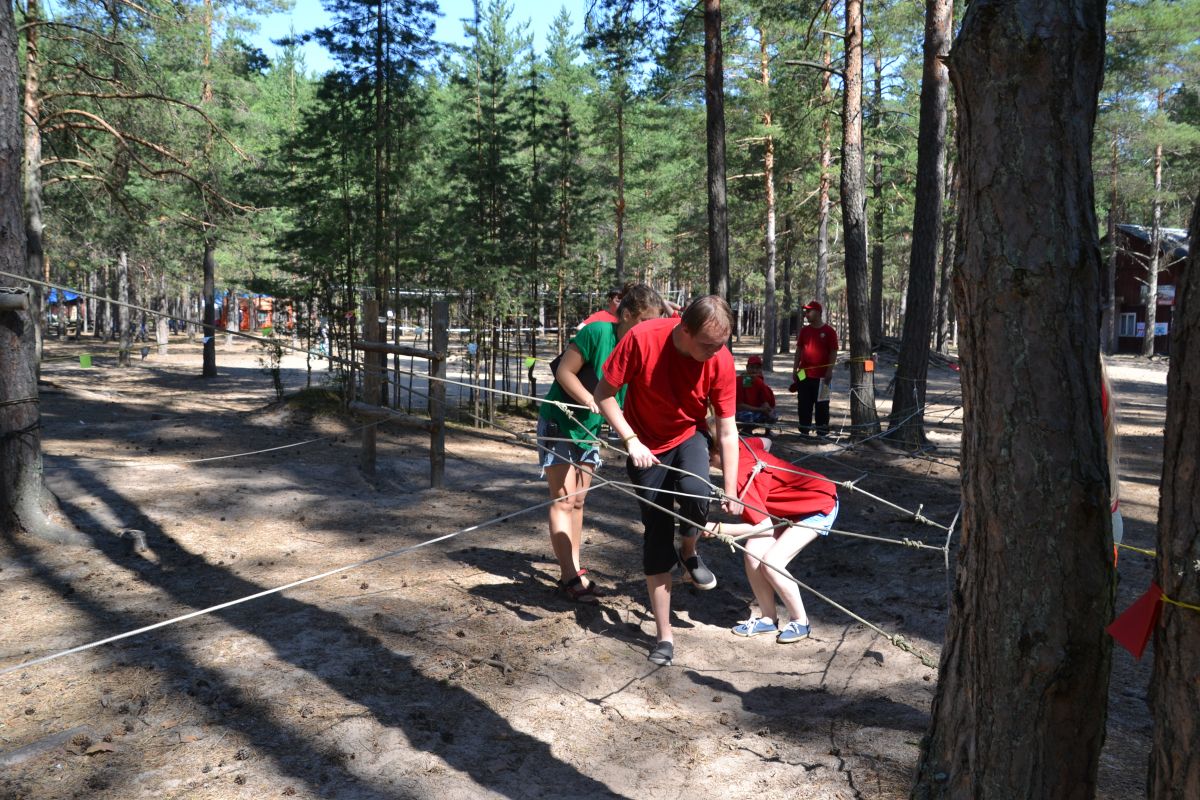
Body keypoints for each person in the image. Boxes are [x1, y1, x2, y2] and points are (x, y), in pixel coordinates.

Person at [595, 295, 742, 666]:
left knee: (696, 494)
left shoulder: (720, 358)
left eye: (721, 345)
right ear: (684, 329)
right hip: (644, 444)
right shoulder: (643, 338)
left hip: (689, 434)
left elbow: (727, 429)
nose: (715, 353)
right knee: (657, 533)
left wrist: (731, 488)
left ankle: (689, 551)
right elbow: (604, 395)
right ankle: (664, 635)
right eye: (708, 345)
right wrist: (631, 441)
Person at [537, 284, 666, 603]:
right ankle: (569, 577)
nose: (649, 329)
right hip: (560, 422)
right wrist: (589, 399)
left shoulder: (641, 348)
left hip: (591, 431)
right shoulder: (597, 333)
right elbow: (564, 372)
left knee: (578, 502)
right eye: (645, 321)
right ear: (627, 315)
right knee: (563, 500)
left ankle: (575, 570)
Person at [702, 435, 838, 643]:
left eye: (709, 456)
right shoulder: (743, 444)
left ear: (721, 450)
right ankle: (768, 619)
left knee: (772, 562)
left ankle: (800, 621)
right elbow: (766, 442)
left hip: (817, 505)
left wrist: (717, 528)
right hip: (787, 509)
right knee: (753, 553)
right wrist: (766, 480)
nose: (707, 461)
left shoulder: (741, 476)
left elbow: (763, 527)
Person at [789, 300, 838, 437]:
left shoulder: (829, 331)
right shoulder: (804, 331)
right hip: (803, 374)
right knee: (804, 403)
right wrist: (795, 369)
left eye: (809, 311)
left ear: (818, 312)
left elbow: (833, 352)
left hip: (823, 376)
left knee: (823, 404)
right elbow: (799, 350)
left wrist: (829, 371)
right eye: (806, 311)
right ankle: (804, 431)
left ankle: (822, 432)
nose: (806, 314)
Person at [735, 355, 777, 429]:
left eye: (757, 368)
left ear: (760, 369)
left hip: (755, 411)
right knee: (749, 415)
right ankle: (746, 430)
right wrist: (760, 410)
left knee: (772, 414)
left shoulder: (759, 381)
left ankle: (768, 431)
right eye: (752, 367)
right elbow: (739, 406)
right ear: (747, 367)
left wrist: (767, 408)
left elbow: (765, 400)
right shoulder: (739, 381)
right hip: (739, 412)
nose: (754, 371)